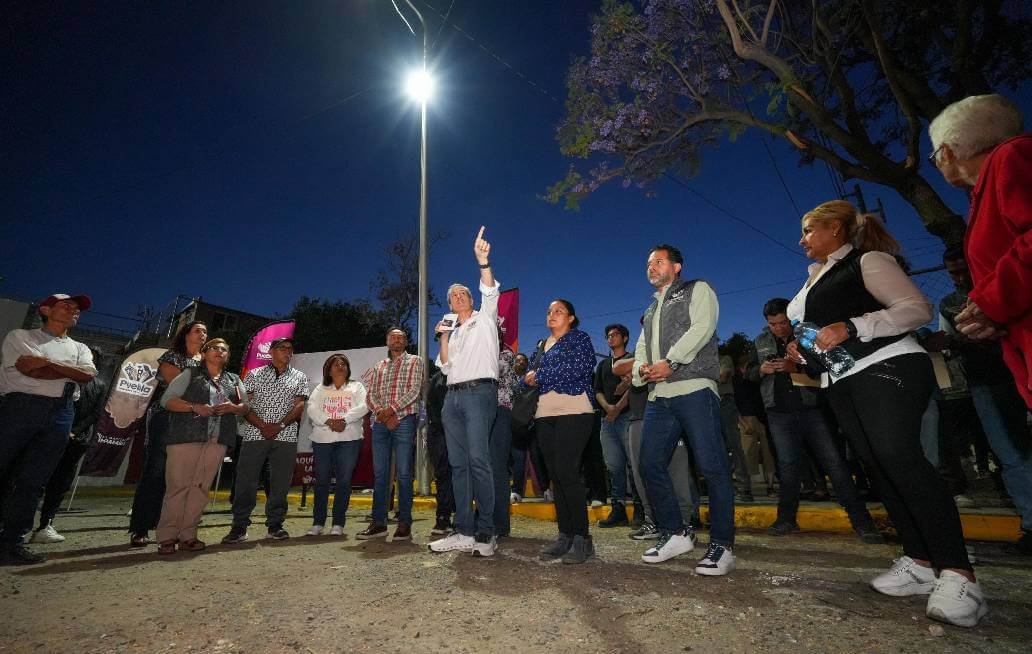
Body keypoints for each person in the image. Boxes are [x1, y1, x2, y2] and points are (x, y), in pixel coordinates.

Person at [786, 199, 985, 627]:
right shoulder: (811, 281)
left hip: (888, 365)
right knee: (878, 466)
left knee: (900, 457)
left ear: (835, 229)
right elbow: (821, 335)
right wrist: (804, 354)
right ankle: (919, 562)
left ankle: (959, 572)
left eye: (808, 230)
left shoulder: (867, 261)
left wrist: (852, 326)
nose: (802, 240)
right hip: (841, 379)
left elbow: (916, 309)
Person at [633, 245, 736, 575]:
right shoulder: (651, 308)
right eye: (648, 264)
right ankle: (676, 533)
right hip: (659, 396)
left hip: (695, 388)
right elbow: (641, 347)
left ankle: (722, 544)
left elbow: (703, 327)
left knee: (712, 466)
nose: (651, 267)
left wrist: (672, 361)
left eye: (659, 261)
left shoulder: (697, 289)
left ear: (677, 266)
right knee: (649, 463)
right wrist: (641, 370)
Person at [747, 298, 882, 543]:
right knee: (787, 467)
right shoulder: (759, 341)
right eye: (772, 324)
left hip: (812, 408)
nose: (778, 328)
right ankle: (786, 519)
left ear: (791, 319)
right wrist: (761, 370)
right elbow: (748, 374)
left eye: (782, 323)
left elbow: (826, 367)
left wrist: (796, 368)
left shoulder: (808, 336)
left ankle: (863, 522)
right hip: (778, 412)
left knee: (835, 464)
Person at [928, 94, 1031, 407]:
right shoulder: (987, 185)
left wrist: (991, 302)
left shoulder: (1013, 156)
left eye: (934, 156)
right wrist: (992, 316)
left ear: (947, 152)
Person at [929, 246, 1032, 553]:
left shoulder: (1009, 284)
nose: (960, 278)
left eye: (964, 270)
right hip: (985, 380)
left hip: (1019, 366)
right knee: (1010, 452)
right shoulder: (950, 303)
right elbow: (947, 339)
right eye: (953, 273)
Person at [0, 293, 97, 565]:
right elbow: (29, 371)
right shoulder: (21, 337)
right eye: (66, 306)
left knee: (34, 480)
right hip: (21, 405)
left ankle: (11, 542)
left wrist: (48, 362)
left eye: (77, 309)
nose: (73, 311)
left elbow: (88, 375)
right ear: (45, 309)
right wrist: (69, 371)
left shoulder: (80, 348)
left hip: (62, 410)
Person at [428, 227, 502, 556]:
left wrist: (482, 261)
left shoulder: (484, 319)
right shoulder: (454, 331)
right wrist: (443, 336)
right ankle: (464, 530)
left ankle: (487, 532)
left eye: (462, 294)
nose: (457, 298)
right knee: (458, 464)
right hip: (452, 398)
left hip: (479, 394)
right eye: (452, 297)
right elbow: (445, 366)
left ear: (471, 299)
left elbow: (490, 291)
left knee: (478, 461)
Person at [155, 338, 249, 554]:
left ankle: (188, 535)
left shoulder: (234, 380)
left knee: (200, 488)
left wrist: (233, 408)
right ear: (204, 354)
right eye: (214, 348)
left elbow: (245, 407)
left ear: (227, 356)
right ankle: (167, 536)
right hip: (185, 437)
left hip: (217, 440)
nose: (219, 351)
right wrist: (194, 407)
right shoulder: (190, 373)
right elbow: (167, 400)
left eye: (224, 349)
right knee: (178, 487)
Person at [524, 299, 597, 564]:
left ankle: (582, 538)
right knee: (555, 475)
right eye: (549, 312)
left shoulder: (580, 339)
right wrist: (531, 377)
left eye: (559, 311)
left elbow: (578, 368)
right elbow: (526, 377)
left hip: (575, 411)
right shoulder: (542, 345)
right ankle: (565, 535)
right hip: (544, 415)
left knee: (568, 471)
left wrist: (540, 375)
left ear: (571, 318)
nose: (552, 315)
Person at [128, 320, 207, 547]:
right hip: (167, 419)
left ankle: (175, 527)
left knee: (184, 477)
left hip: (194, 422)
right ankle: (141, 527)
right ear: (186, 334)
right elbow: (177, 386)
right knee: (155, 472)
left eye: (205, 332)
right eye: (197, 330)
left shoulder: (206, 361)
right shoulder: (172, 357)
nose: (202, 334)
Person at [222, 338, 309, 543]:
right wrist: (262, 426)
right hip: (255, 433)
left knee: (280, 482)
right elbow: (245, 405)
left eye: (290, 349)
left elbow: (299, 406)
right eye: (282, 348)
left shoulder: (300, 376)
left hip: (286, 435)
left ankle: (275, 525)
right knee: (246, 480)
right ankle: (239, 526)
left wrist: (279, 426)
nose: (287, 352)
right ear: (271, 352)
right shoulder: (254, 374)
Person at [613, 355, 699, 542]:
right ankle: (652, 521)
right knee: (641, 474)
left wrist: (648, 364)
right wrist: (641, 363)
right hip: (638, 417)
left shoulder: (672, 352)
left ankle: (684, 522)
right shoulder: (640, 353)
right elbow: (617, 368)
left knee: (677, 472)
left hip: (668, 414)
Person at [29, 348, 108, 544]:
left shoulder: (99, 385)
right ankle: (20, 524)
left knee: (61, 483)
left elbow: (96, 413)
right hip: (53, 435)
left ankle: (45, 524)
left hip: (77, 440)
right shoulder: (63, 378)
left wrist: (74, 431)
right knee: (36, 478)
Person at [358, 329, 424, 541]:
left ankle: (404, 523)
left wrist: (391, 410)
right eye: (392, 337)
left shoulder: (415, 361)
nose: (396, 339)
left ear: (405, 342)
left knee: (404, 474)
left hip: (404, 420)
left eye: (400, 337)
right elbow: (371, 395)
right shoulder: (379, 366)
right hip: (381, 423)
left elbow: (414, 390)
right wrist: (383, 414)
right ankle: (379, 523)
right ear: (387, 342)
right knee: (381, 475)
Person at [305, 353, 368, 536]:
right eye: (336, 364)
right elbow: (311, 408)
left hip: (349, 440)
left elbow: (365, 406)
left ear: (348, 369)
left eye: (343, 364)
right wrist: (329, 421)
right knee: (321, 481)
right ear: (329, 370)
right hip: (322, 440)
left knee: (344, 481)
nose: (340, 367)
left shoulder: (357, 386)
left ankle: (338, 523)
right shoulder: (321, 388)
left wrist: (344, 420)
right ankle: (318, 523)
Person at [594, 324, 633, 527]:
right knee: (613, 466)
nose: (610, 338)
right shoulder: (603, 365)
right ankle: (618, 510)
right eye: (608, 335)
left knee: (633, 463)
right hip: (606, 420)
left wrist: (618, 408)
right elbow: (597, 390)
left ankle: (641, 509)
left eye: (615, 334)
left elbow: (635, 385)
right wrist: (608, 407)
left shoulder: (632, 359)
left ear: (625, 338)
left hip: (628, 416)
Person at [489, 332, 518, 537]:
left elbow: (493, 372)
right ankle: (484, 517)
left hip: (501, 410)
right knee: (483, 467)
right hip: (481, 410)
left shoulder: (506, 354)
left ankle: (500, 524)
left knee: (497, 466)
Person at [717, 352, 754, 502]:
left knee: (734, 446)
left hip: (724, 403)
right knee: (717, 449)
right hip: (707, 405)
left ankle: (744, 488)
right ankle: (725, 489)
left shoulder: (724, 359)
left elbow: (723, 377)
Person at [426, 365, 455, 535]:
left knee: (462, 473)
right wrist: (441, 424)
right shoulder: (437, 377)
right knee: (442, 474)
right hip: (439, 432)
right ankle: (443, 517)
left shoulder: (465, 373)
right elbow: (430, 403)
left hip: (460, 431)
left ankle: (462, 517)